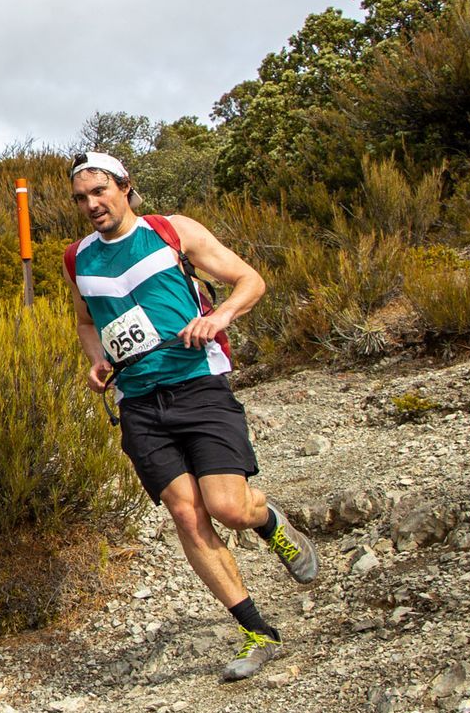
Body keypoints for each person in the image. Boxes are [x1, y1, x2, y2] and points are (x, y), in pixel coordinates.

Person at [62, 150, 318, 681]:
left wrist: (219, 315)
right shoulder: (78, 258)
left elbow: (250, 280)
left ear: (124, 187)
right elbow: (87, 320)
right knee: (185, 513)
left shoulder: (171, 231)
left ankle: (268, 521)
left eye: (99, 192)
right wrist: (97, 359)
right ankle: (256, 631)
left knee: (227, 507)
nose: (91, 204)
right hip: (137, 402)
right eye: (81, 198)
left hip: (197, 384)